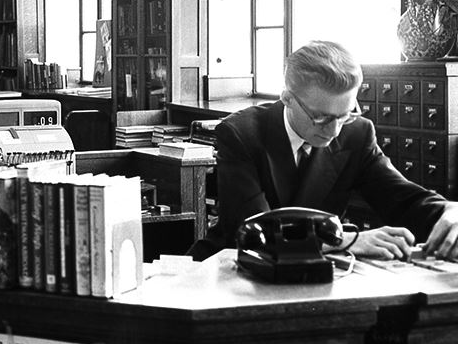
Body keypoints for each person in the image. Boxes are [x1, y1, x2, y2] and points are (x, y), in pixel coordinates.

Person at [195, 40, 458, 261]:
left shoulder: (357, 133)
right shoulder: (241, 133)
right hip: (232, 269)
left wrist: (448, 212)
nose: (333, 131)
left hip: (316, 271)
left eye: (344, 115)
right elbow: (252, 230)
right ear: (287, 98)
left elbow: (402, 199)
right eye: (321, 118)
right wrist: (343, 240)